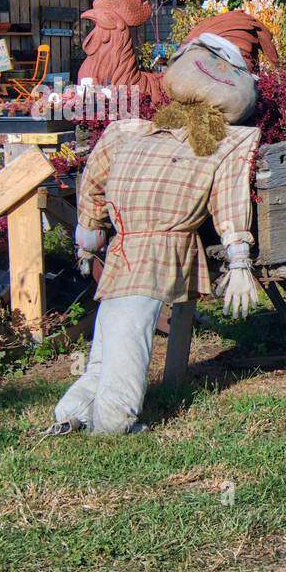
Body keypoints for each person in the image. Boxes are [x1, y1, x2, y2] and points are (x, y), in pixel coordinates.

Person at [44, 34, 262, 436]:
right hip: (141, 244)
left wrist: (89, 232)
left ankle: (76, 410)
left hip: (139, 242)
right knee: (122, 335)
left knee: (116, 330)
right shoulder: (142, 133)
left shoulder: (135, 133)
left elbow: (92, 179)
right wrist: (240, 258)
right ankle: (111, 420)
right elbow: (228, 196)